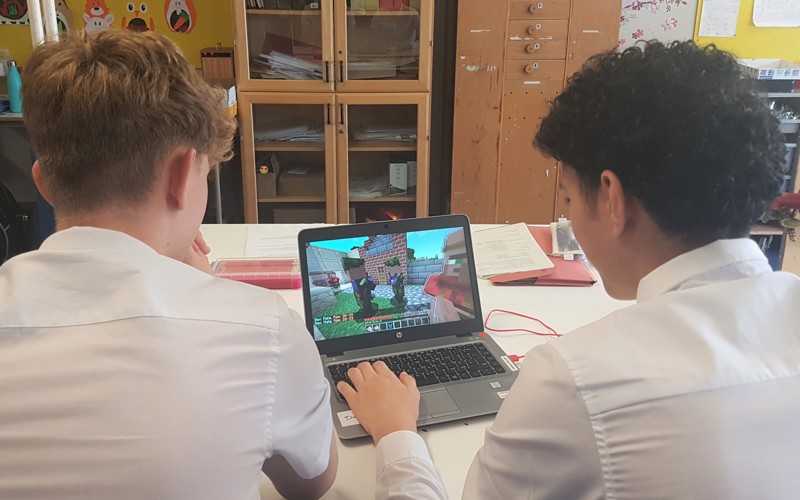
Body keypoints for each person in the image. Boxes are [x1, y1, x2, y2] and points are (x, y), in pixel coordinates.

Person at [337, 41, 800, 498]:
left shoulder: (577, 379)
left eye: (567, 199)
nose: (569, 217)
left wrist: (396, 433)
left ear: (612, 200)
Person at [0, 30, 336, 499]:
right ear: (181, 176)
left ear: (43, 184)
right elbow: (311, 483)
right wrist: (209, 290)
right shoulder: (262, 329)